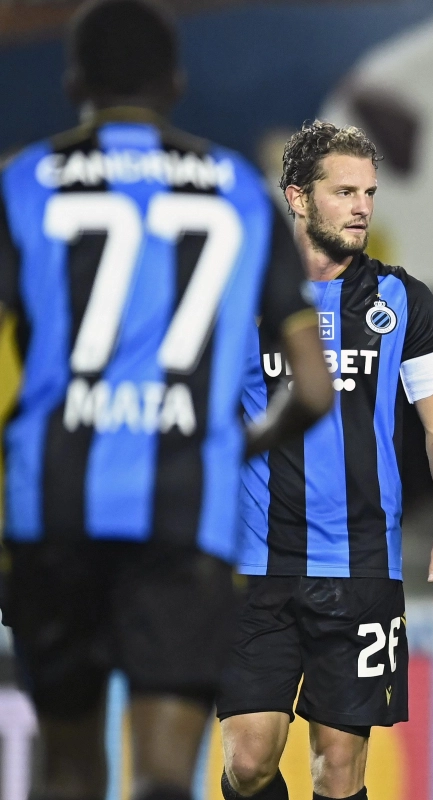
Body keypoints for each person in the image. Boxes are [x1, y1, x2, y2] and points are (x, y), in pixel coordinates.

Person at [0, 2, 334, 800]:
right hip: (187, 510)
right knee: (161, 775)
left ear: (73, 78)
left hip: (56, 509)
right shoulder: (242, 193)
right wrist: (231, 443)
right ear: (178, 82)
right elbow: (313, 387)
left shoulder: (21, 182)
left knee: (70, 767)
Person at [216, 122, 433, 800]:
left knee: (339, 768)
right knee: (248, 762)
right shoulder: (238, 295)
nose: (362, 207)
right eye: (344, 192)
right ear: (298, 198)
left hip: (360, 564)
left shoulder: (401, 301)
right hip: (251, 564)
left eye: (370, 193)